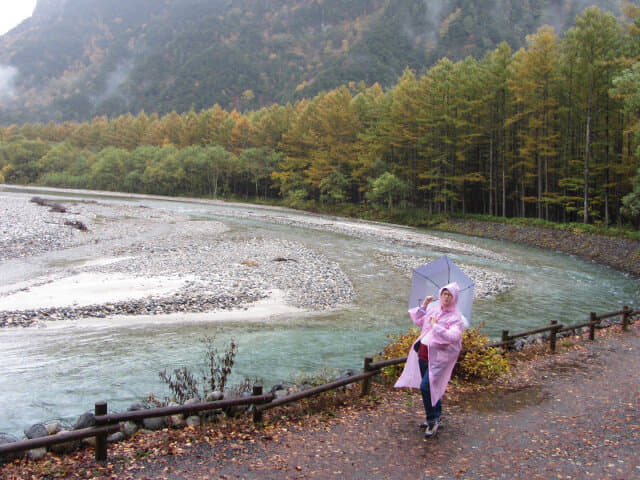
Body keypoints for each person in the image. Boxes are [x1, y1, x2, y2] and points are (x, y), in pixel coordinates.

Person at [394, 282, 465, 438]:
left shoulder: (455, 318)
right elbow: (419, 321)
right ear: (440, 295)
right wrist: (425, 304)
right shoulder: (434, 309)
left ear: (454, 298)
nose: (446, 297)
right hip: (424, 354)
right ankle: (437, 416)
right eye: (444, 294)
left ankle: (432, 420)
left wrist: (436, 326)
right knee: (432, 387)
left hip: (439, 358)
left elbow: (454, 336)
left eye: (449, 295)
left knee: (426, 387)